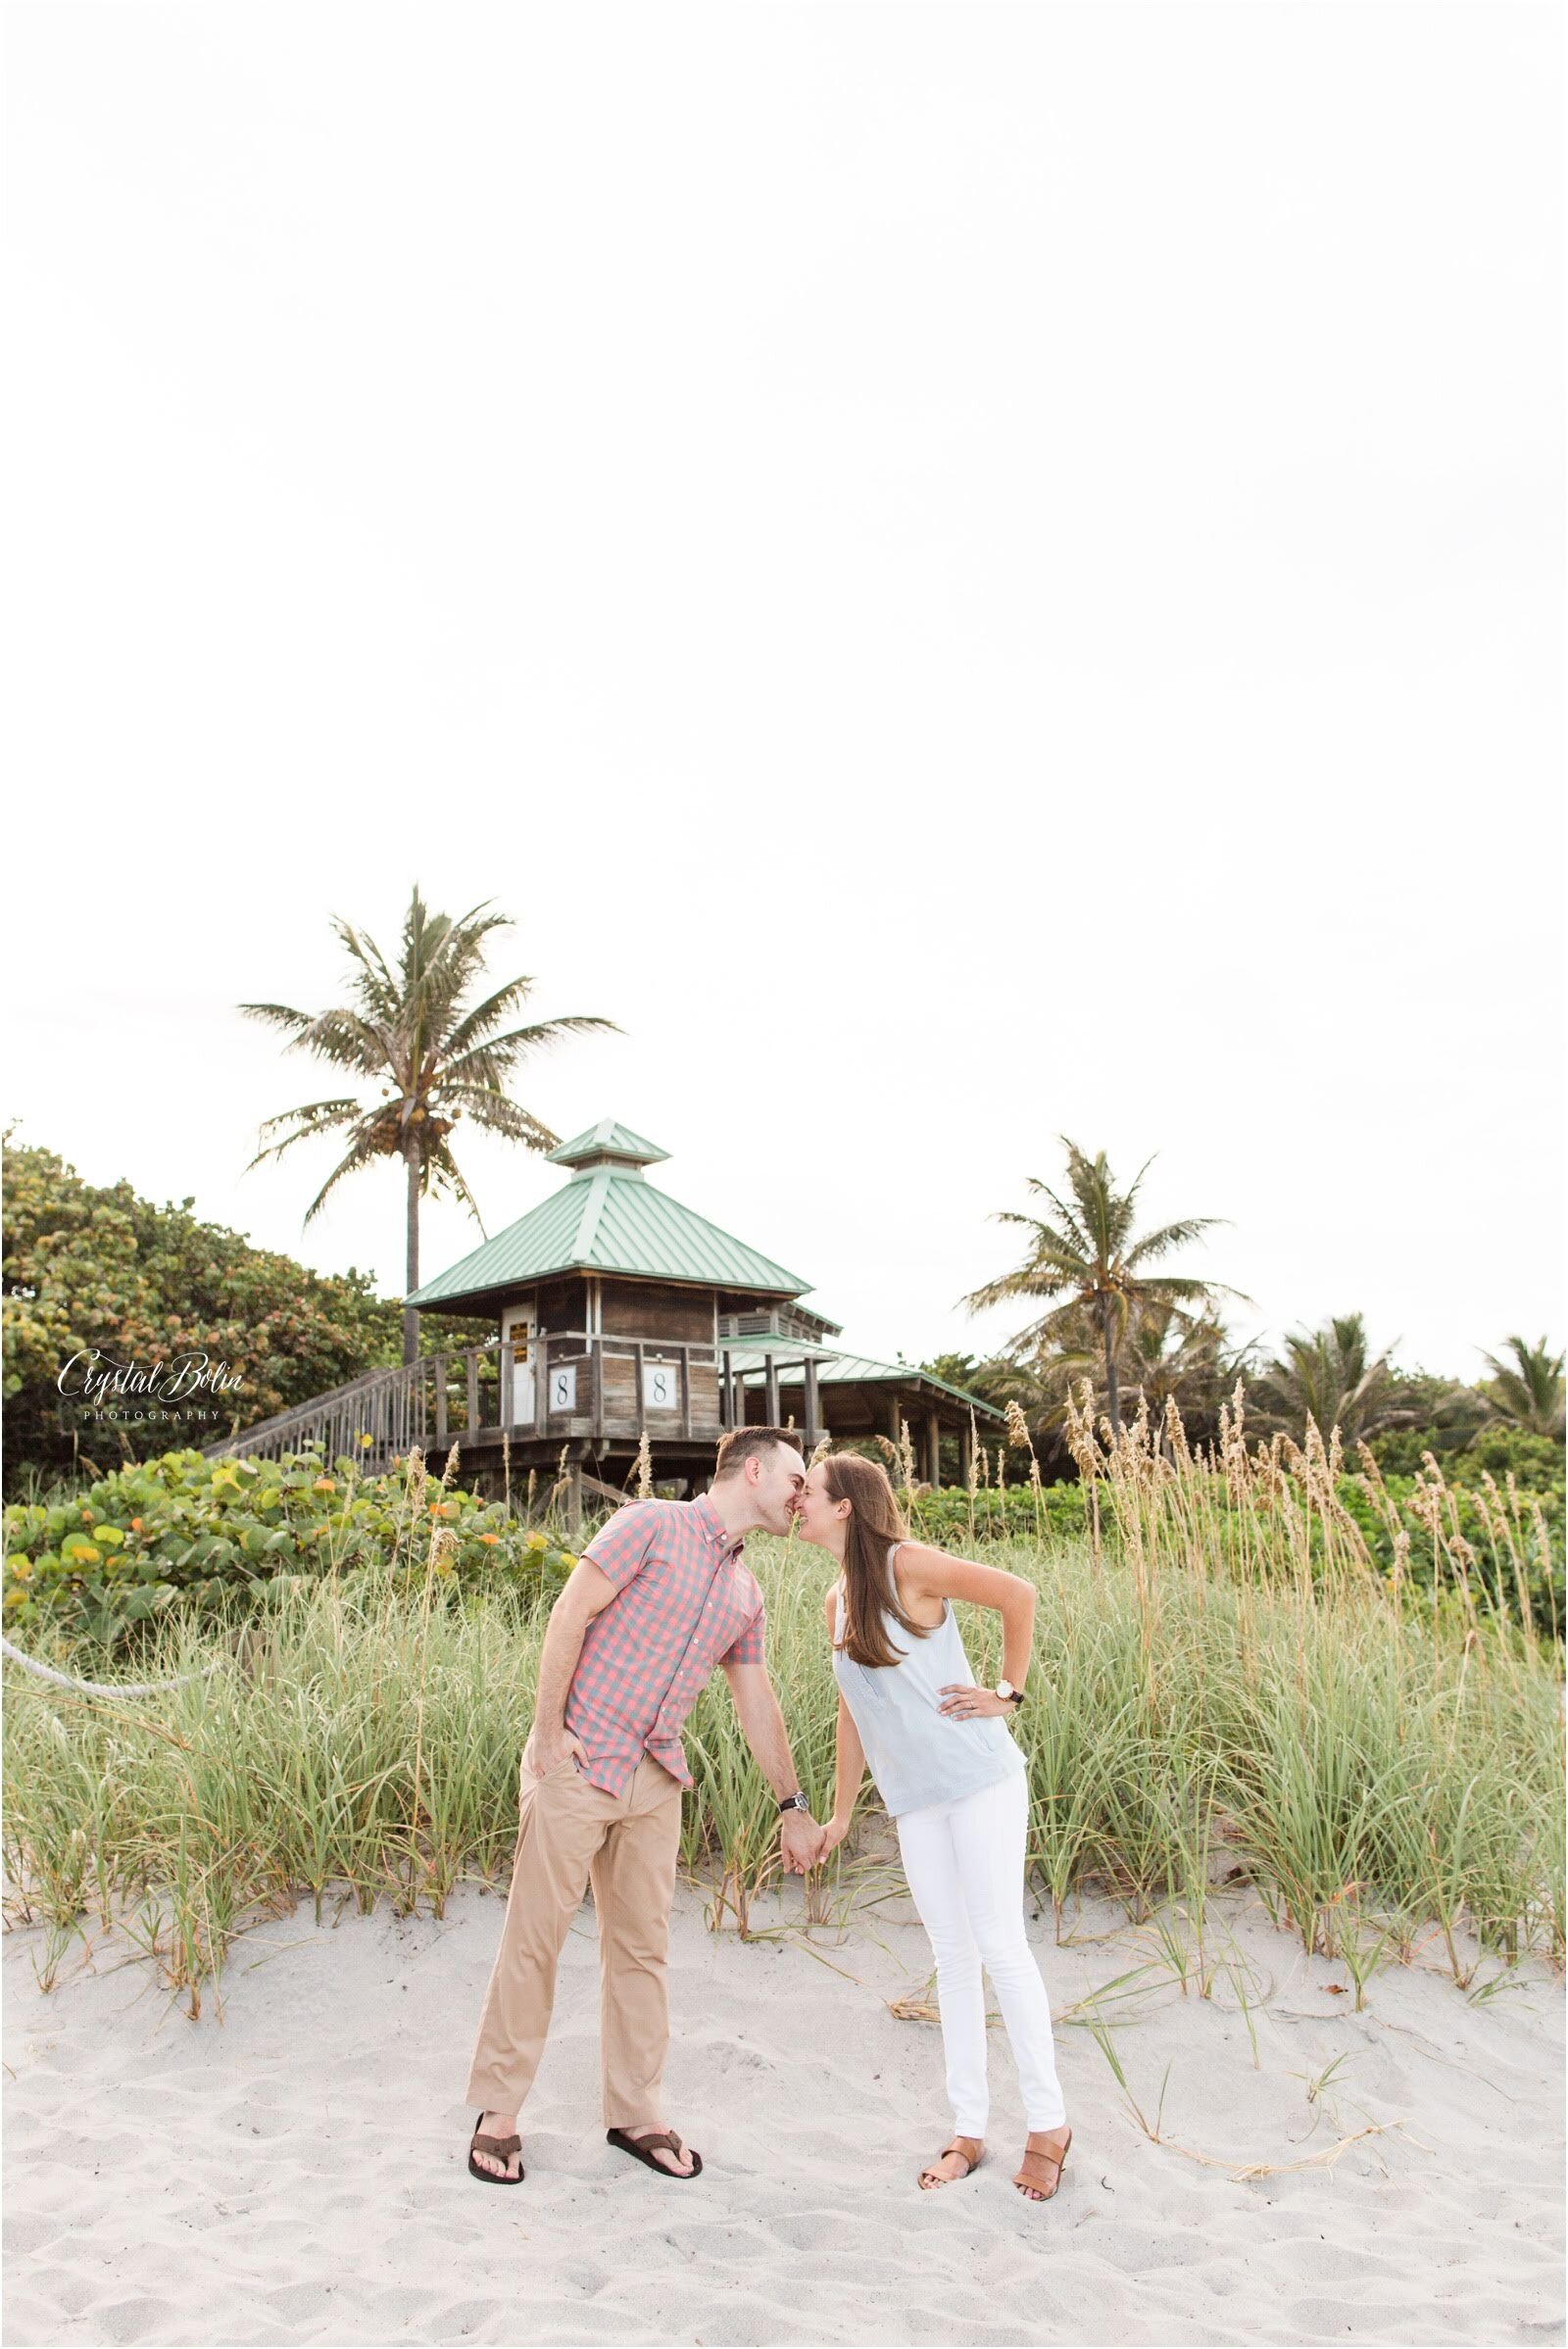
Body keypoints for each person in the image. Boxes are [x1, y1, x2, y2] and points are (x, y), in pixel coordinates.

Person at [465, 1427, 826, 2185]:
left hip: (657, 1777)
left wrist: (792, 1802)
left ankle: (636, 2113)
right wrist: (545, 1733)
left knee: (642, 1951)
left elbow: (756, 1699)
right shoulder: (649, 1523)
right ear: (753, 1469)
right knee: (536, 1939)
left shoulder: (746, 1592)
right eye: (796, 1479)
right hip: (580, 1758)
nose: (803, 1495)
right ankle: (498, 2113)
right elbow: (570, 1613)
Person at [795, 1449, 1072, 2203]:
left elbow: (1019, 1593)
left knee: (1000, 1946)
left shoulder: (908, 1564)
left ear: (845, 1504)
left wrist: (1008, 1692)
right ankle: (969, 2128)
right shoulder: (835, 1601)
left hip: (980, 1781)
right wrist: (845, 1810)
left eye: (808, 1492)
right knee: (952, 1954)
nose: (797, 1502)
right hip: (915, 1800)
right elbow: (856, 1712)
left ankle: (1049, 2125)